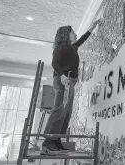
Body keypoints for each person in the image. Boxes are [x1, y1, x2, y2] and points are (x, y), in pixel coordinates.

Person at [42, 20, 100, 155]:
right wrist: (62, 76)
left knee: (67, 112)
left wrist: (91, 29)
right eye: (73, 32)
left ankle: (57, 142)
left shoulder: (72, 48)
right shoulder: (61, 48)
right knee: (59, 110)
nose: (75, 34)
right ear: (65, 35)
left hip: (70, 82)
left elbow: (81, 40)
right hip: (63, 80)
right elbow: (54, 63)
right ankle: (48, 142)